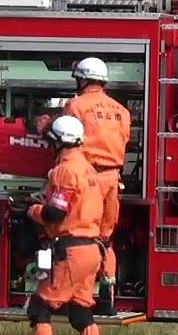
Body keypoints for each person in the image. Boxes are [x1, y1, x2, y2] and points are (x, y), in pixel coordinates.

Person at [10, 114, 106, 335]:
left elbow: (55, 213)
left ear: (58, 143)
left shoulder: (65, 170)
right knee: (81, 312)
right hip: (91, 249)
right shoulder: (89, 169)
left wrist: (30, 211)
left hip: (70, 250)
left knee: (40, 307)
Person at [36, 57, 130, 316]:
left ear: (83, 79)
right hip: (112, 179)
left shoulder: (76, 105)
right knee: (105, 239)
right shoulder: (122, 111)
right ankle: (107, 296)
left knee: (76, 236)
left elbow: (66, 135)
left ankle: (59, 293)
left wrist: (44, 127)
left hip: (86, 179)